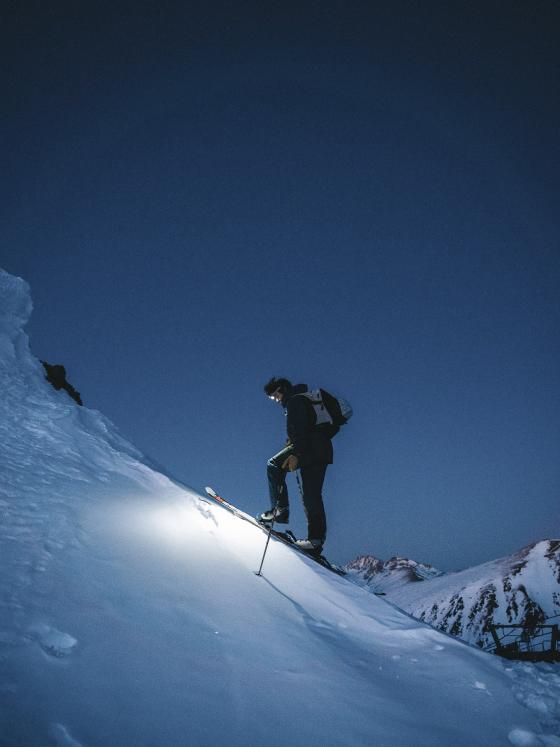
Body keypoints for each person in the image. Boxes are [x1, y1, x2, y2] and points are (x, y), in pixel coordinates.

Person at [259, 377, 337, 554]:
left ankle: (280, 510)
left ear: (281, 389)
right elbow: (309, 428)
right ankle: (315, 540)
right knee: (312, 495)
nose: (275, 400)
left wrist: (296, 453)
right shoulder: (304, 398)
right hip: (321, 450)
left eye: (274, 396)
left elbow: (301, 431)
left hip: (308, 450)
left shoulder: (295, 400)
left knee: (273, 465)